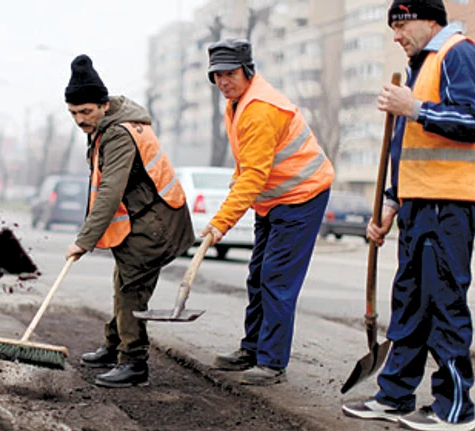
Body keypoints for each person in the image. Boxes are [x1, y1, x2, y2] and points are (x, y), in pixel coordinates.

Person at [342, 1, 475, 429]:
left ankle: (456, 409)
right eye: (392, 28)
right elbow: (409, 149)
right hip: (419, 203)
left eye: (402, 25)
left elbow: (472, 119)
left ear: (429, 20)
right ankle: (395, 395)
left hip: (449, 202)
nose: (396, 36)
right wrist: (390, 205)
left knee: (443, 302)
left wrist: (413, 107)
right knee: (412, 303)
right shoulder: (422, 65)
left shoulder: (457, 52)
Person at [201, 39, 334, 386]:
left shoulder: (260, 109)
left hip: (301, 196)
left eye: (230, 73)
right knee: (257, 273)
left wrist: (220, 223)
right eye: (217, 75)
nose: (223, 81)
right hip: (274, 199)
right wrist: (234, 190)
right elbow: (247, 166)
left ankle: (272, 362)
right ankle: (252, 348)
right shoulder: (237, 104)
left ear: (247, 71)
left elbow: (255, 175)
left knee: (276, 278)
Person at [63, 54, 195, 388]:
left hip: (156, 223)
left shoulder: (119, 134)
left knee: (131, 289)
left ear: (104, 105)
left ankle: (134, 363)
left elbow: (110, 189)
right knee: (123, 282)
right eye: (73, 113)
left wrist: (84, 239)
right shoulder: (103, 128)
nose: (79, 120)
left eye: (85, 112)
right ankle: (114, 344)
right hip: (142, 219)